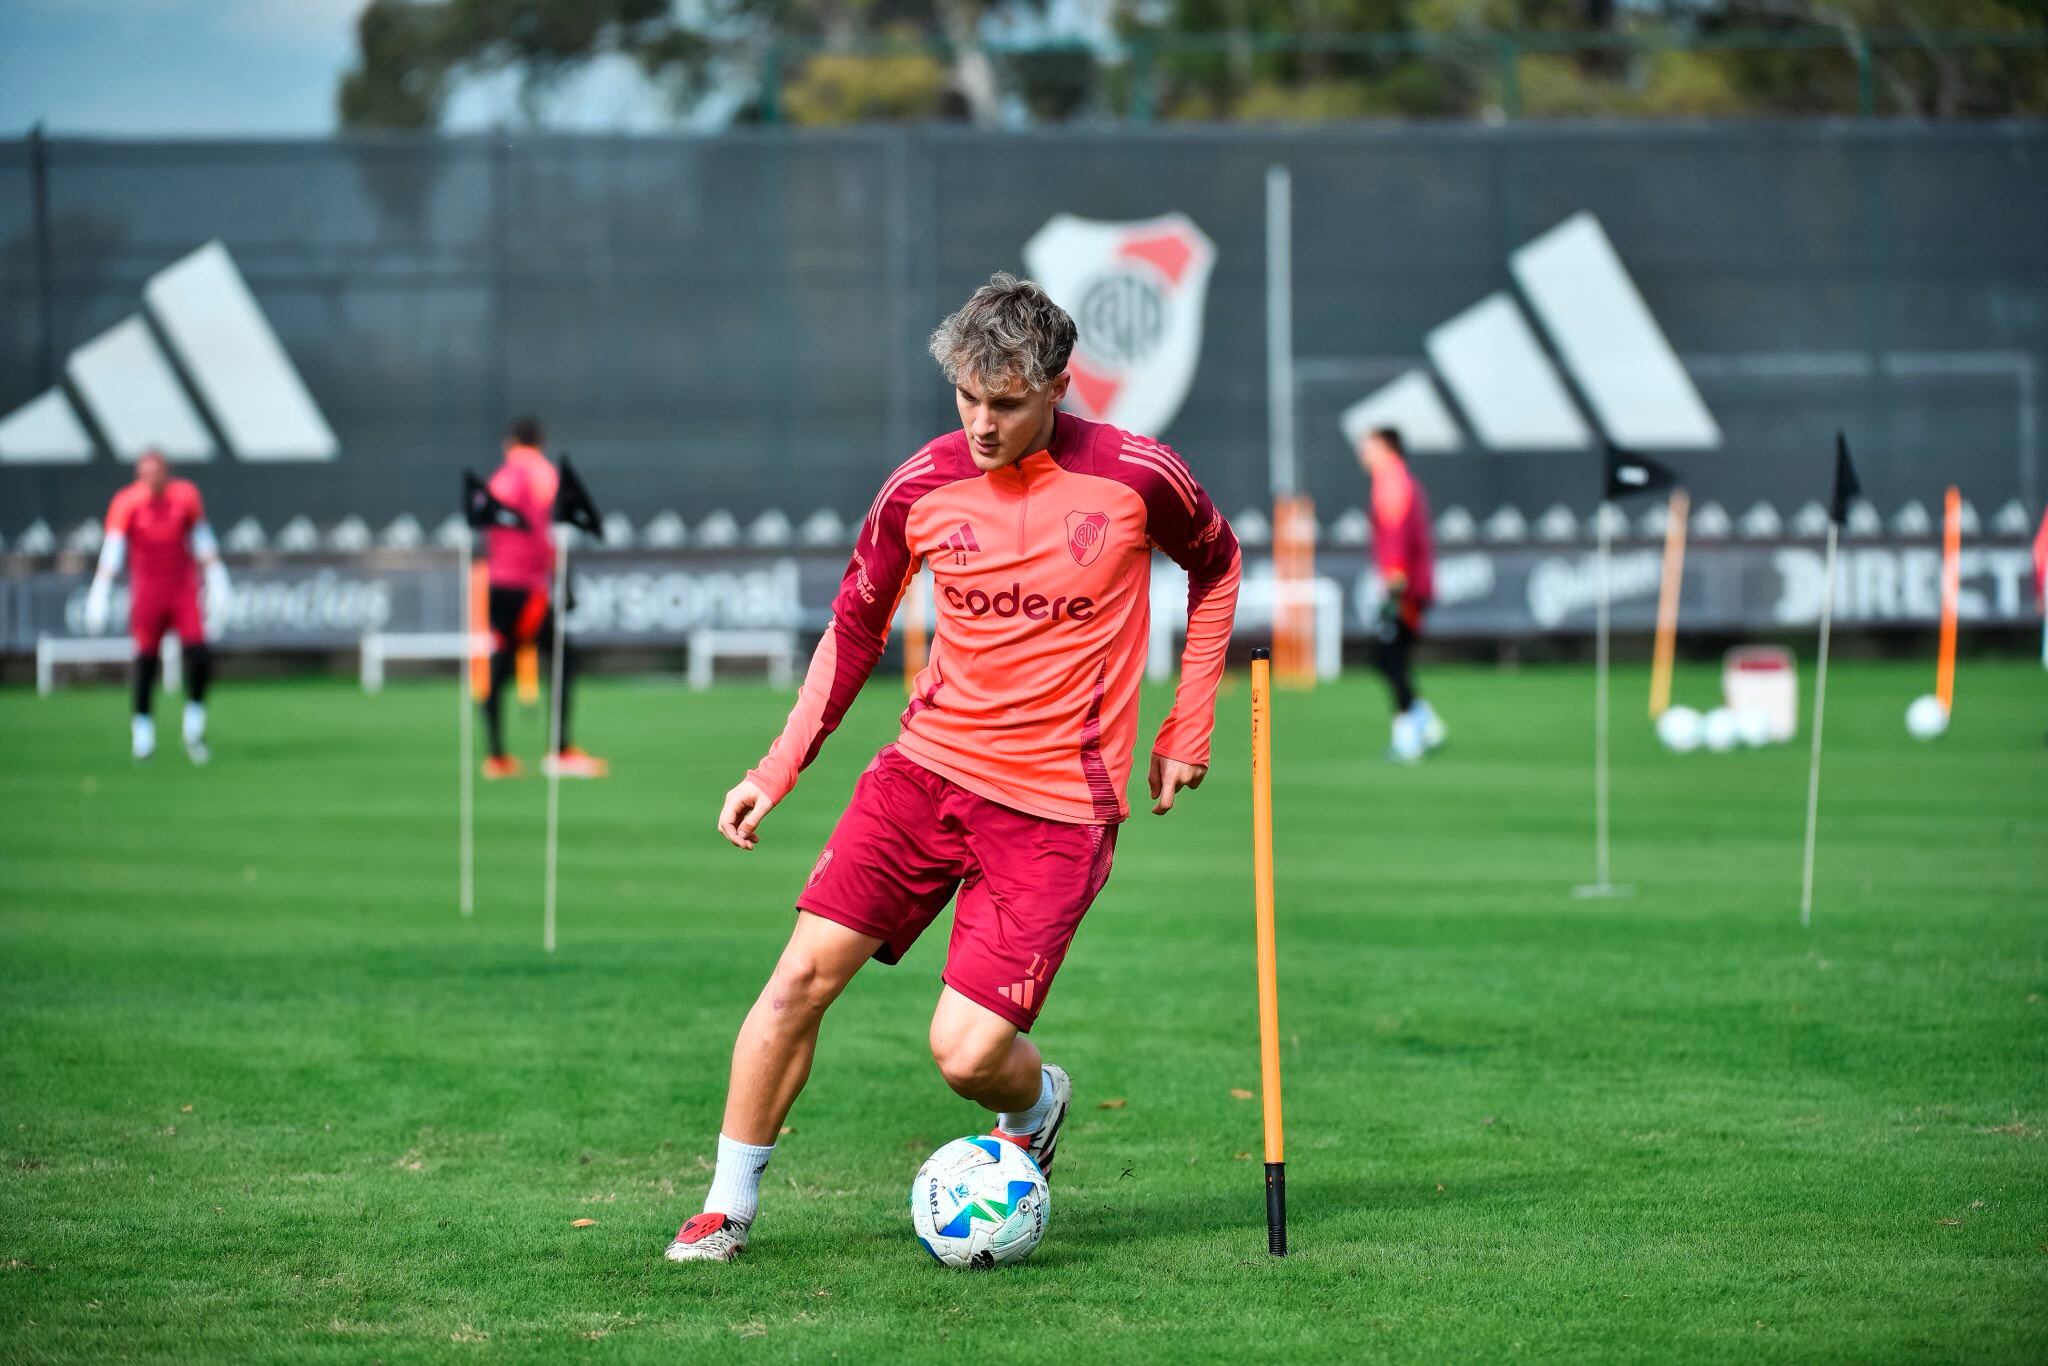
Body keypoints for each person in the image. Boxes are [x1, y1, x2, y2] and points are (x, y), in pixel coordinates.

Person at [664, 273, 1242, 1263]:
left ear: (1060, 387)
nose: (980, 423)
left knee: (964, 1055)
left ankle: (1038, 1101)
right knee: (798, 979)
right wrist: (776, 766)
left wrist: (1188, 727)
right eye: (967, 397)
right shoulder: (918, 486)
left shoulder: (1138, 475)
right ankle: (725, 1207)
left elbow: (1217, 563)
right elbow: (853, 627)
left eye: (1005, 403)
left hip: (1059, 810)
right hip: (921, 777)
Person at [480, 417, 606, 780]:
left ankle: (496, 755)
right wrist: (561, 578)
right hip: (527, 586)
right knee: (564, 658)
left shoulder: (499, 478)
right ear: (540, 442)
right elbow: (541, 532)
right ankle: (560, 748)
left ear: (510, 442)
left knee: (500, 662)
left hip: (498, 584)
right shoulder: (540, 473)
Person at [83, 450, 230, 764]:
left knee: (199, 656)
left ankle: (193, 729)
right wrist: (99, 592)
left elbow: (203, 541)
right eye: (144, 473)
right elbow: (113, 550)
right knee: (146, 662)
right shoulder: (127, 502)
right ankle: (143, 734)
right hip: (148, 591)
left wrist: (219, 580)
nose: (151, 478)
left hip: (182, 588)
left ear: (167, 471)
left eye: (156, 472)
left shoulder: (185, 496)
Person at [1357, 427, 1444, 763]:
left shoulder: (1391, 482)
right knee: (1391, 657)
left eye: (1369, 447)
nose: (1363, 454)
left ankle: (1415, 729)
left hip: (1404, 588)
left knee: (1387, 655)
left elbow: (1395, 537)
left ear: (1388, 449)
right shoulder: (1398, 480)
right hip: (1408, 586)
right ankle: (1419, 724)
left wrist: (1394, 585)